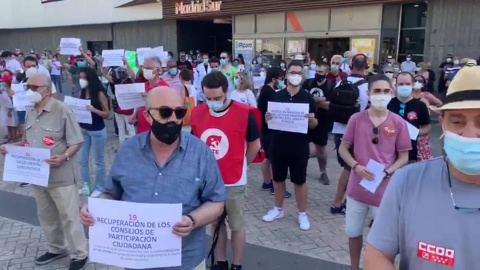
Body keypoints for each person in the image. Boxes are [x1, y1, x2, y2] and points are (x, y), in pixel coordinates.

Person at [80, 86, 227, 270]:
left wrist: (192, 219)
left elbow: (217, 201)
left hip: (185, 261)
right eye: (165, 112)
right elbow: (112, 193)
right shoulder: (127, 150)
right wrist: (95, 208)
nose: (173, 119)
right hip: (136, 260)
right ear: (148, 116)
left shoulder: (201, 152)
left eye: (179, 112)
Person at [365, 66, 480, 270]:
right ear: (443, 125)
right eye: (457, 121)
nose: (470, 135)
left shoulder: (418, 106)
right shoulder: (408, 182)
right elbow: (377, 256)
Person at [0, 73, 88, 270]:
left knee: (69, 216)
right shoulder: (31, 111)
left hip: (61, 175)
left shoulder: (62, 110)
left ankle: (79, 253)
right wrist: (13, 148)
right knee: (47, 216)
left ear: (47, 90)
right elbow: (27, 141)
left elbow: (77, 141)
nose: (29, 91)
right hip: (37, 176)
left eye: (34, 87)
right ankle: (57, 248)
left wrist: (64, 156)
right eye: (28, 86)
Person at [339, 74, 411, 270]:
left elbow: (403, 157)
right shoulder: (356, 119)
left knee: (383, 241)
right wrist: (356, 166)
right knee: (353, 233)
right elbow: (343, 149)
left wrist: (387, 173)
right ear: (369, 93)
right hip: (356, 190)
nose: (382, 95)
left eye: (386, 91)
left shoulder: (398, 122)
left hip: (384, 193)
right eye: (377, 91)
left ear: (392, 93)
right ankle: (354, 266)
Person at [191, 72, 261, 270]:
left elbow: (255, 145)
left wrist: (243, 165)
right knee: (216, 223)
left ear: (227, 92)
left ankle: (237, 264)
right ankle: (220, 261)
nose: (213, 102)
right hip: (209, 181)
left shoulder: (244, 113)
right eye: (208, 98)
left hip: (234, 181)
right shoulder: (197, 113)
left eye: (218, 98)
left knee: (236, 225)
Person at [262, 61, 318, 230]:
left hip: (299, 145)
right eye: (293, 72)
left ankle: (302, 214)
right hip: (278, 143)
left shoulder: (307, 97)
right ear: (286, 75)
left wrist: (311, 120)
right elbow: (268, 120)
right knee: (278, 179)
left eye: (299, 73)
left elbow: (315, 124)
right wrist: (268, 118)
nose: (296, 76)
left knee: (300, 181)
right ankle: (278, 209)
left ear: (302, 76)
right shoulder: (276, 96)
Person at [330, 54, 370, 215]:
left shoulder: (341, 82)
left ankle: (345, 200)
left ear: (351, 65)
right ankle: (338, 203)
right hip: (356, 132)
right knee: (350, 168)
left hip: (339, 130)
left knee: (349, 168)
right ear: (366, 66)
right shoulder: (366, 86)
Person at [257, 67, 291, 198]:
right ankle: (272, 184)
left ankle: (267, 182)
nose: (282, 82)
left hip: (266, 129)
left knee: (267, 157)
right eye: (281, 79)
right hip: (268, 129)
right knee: (271, 158)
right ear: (274, 79)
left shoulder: (267, 90)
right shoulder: (268, 91)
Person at [77, 68, 110, 197]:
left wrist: (93, 110)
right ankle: (86, 185)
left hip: (97, 130)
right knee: (82, 160)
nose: (81, 80)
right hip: (84, 129)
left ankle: (100, 186)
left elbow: (107, 114)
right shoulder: (83, 91)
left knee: (99, 161)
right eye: (80, 77)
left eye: (84, 77)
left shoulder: (100, 93)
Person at [388, 72, 431, 162]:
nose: (404, 86)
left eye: (407, 84)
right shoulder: (388, 104)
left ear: (412, 85)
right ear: (395, 86)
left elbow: (427, 126)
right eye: (401, 84)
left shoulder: (420, 105)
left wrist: (416, 132)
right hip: (388, 153)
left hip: (411, 154)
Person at [302, 62, 333, 185]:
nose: (317, 74)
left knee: (321, 149)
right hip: (306, 120)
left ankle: (323, 172)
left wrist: (312, 100)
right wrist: (320, 100)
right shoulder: (308, 83)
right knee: (303, 147)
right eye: (316, 71)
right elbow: (302, 98)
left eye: (320, 72)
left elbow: (330, 105)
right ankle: (300, 169)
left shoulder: (331, 86)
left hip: (323, 121)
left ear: (326, 73)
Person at [131, 52, 169, 134]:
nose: (145, 70)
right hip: (141, 132)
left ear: (158, 70)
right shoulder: (143, 86)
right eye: (144, 67)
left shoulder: (165, 88)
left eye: (148, 68)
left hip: (157, 134)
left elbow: (168, 112)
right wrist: (134, 115)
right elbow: (139, 105)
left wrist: (151, 97)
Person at [102, 65, 136, 145]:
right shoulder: (115, 81)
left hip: (126, 109)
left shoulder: (129, 81)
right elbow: (104, 74)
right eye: (121, 71)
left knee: (129, 127)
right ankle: (122, 145)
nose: (122, 72)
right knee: (122, 128)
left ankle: (132, 145)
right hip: (119, 108)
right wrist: (104, 65)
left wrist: (127, 64)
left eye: (124, 70)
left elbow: (133, 75)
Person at [0, 75, 18, 142]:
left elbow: (10, 100)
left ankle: (14, 136)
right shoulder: (3, 88)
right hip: (4, 108)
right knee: (8, 123)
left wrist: (10, 110)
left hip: (11, 109)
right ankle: (9, 136)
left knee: (13, 124)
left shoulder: (11, 89)